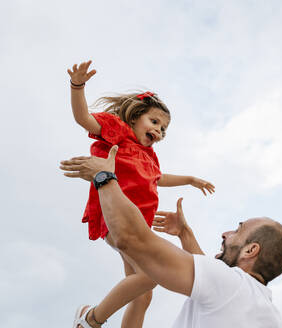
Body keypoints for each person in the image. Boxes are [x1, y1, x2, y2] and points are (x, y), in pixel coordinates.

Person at [60, 146, 282, 328]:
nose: (225, 233)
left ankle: (90, 320)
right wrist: (184, 233)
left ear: (250, 250)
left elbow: (132, 239)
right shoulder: (268, 314)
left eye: (237, 230)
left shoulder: (231, 286)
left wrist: (104, 178)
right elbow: (210, 279)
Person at [67, 61, 215, 328]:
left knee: (143, 294)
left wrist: (190, 179)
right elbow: (83, 118)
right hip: (116, 218)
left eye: (163, 129)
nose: (159, 131)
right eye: (155, 121)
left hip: (139, 225)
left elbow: (159, 178)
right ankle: (91, 319)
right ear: (135, 117)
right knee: (151, 274)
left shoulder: (150, 157)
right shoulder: (119, 133)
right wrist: (77, 86)